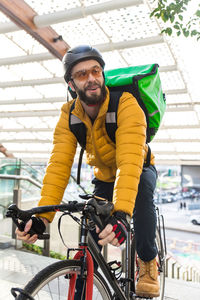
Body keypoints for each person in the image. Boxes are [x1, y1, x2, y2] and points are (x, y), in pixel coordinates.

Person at [16, 45, 159, 298]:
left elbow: (129, 164)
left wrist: (122, 215)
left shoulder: (126, 104)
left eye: (96, 71)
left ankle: (148, 261)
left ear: (102, 75)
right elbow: (58, 166)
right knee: (91, 231)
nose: (91, 78)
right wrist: (43, 217)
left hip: (139, 167)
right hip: (104, 177)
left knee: (143, 197)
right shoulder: (69, 115)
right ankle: (85, 278)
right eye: (82, 74)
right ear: (71, 84)